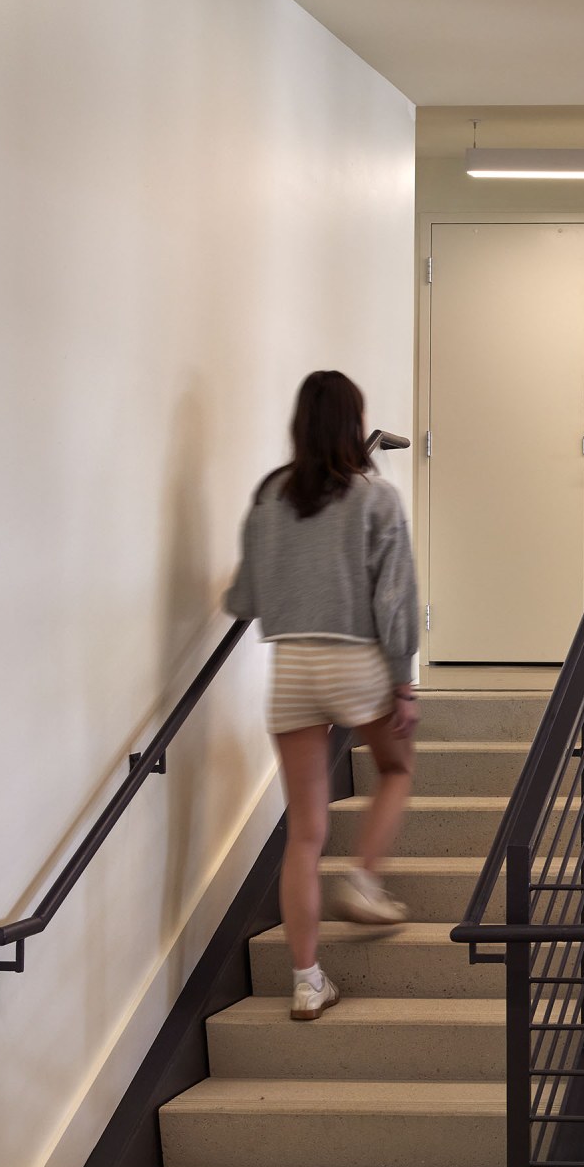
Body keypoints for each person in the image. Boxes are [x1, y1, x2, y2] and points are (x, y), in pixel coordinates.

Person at [223, 370, 419, 1021]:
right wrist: (403, 679)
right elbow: (395, 600)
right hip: (355, 659)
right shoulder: (375, 498)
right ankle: (365, 882)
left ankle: (308, 982)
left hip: (292, 669)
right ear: (354, 424)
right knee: (394, 767)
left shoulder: (269, 494)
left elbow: (243, 601)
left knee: (304, 834)